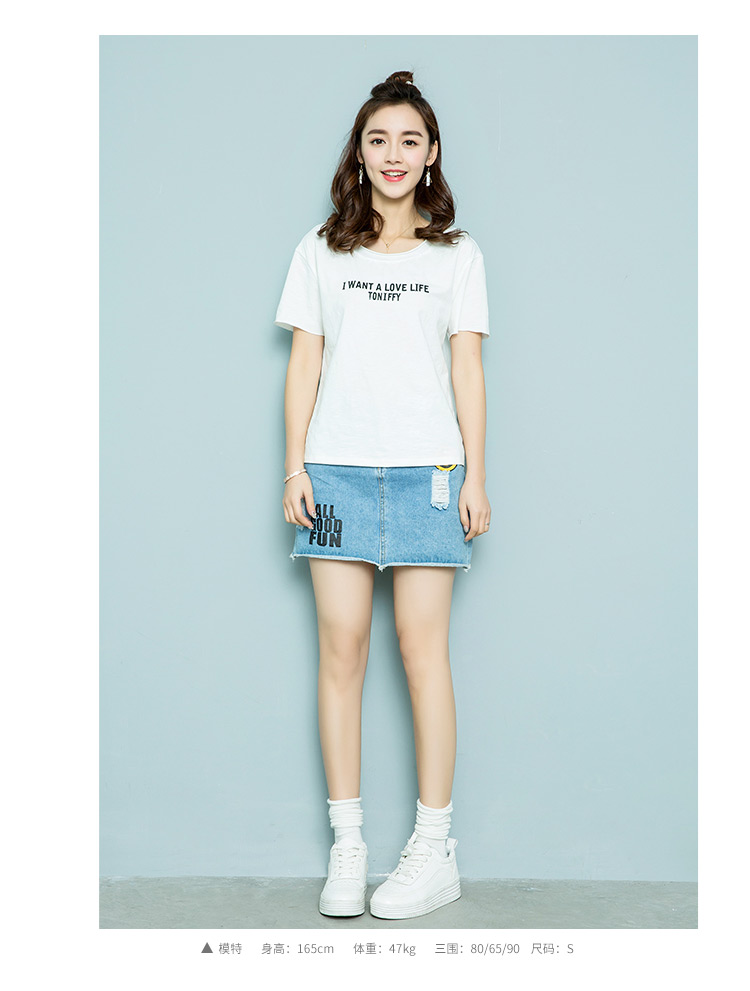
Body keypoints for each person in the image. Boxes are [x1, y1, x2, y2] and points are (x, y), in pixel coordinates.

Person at [274, 70, 491, 920]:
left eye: (409, 140)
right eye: (378, 139)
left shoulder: (458, 255)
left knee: (422, 653)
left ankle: (434, 849)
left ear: (431, 154)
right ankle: (349, 845)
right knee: (341, 651)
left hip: (430, 475)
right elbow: (304, 362)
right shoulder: (320, 249)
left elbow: (467, 367)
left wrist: (477, 475)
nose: (393, 154)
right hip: (334, 473)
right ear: (359, 154)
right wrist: (294, 468)